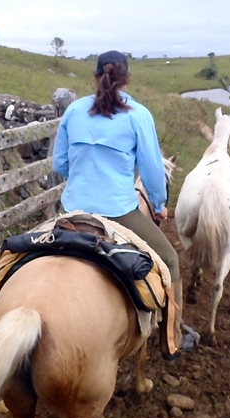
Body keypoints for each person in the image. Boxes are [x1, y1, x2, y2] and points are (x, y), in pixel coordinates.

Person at [52, 50, 198, 360]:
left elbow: (60, 164)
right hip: (118, 212)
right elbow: (152, 173)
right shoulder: (138, 115)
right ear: (127, 78)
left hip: (73, 210)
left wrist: (84, 176)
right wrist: (158, 204)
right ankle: (171, 340)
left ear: (95, 76)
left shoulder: (74, 112)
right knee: (170, 261)